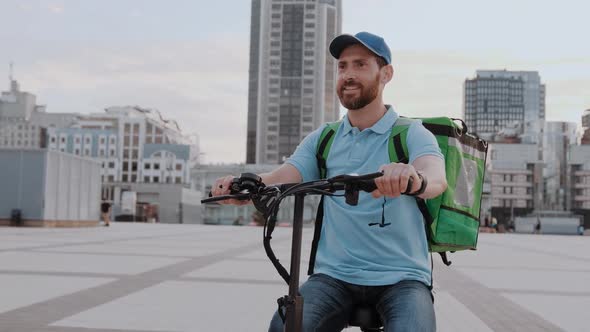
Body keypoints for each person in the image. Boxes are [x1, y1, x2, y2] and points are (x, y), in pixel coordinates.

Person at [211, 31, 446, 332]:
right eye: (342, 66)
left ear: (386, 73)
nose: (348, 74)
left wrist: (413, 178)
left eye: (360, 65)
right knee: (285, 327)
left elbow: (435, 178)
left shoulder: (410, 133)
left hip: (402, 277)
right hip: (334, 276)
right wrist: (244, 187)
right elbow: (283, 177)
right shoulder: (325, 138)